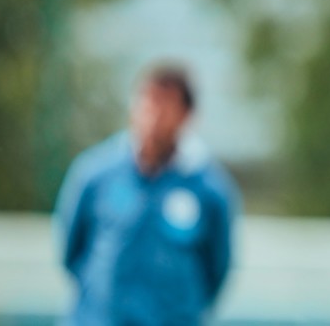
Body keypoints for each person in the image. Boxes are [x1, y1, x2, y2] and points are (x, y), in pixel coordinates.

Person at [55, 64, 239, 325]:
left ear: (187, 115)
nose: (154, 115)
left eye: (166, 105)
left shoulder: (209, 188)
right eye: (148, 101)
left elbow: (216, 267)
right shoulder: (95, 174)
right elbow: (72, 252)